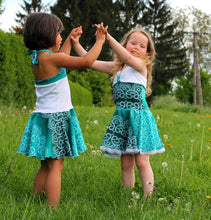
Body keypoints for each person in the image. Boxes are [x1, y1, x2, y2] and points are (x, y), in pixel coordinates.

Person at [17, 13, 105, 208]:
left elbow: (61, 58)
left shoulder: (39, 58)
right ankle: (52, 207)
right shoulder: (51, 59)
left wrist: (69, 40)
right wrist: (100, 41)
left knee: (45, 164)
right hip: (56, 118)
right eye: (58, 33)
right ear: (46, 34)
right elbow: (86, 62)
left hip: (42, 117)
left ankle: (36, 198)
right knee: (56, 165)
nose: (60, 37)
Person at [71, 23, 165, 198]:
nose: (136, 47)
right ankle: (127, 195)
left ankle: (147, 198)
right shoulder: (116, 68)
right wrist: (76, 44)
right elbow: (89, 62)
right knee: (126, 162)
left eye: (142, 46)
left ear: (147, 53)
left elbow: (128, 58)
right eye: (133, 43)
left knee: (142, 161)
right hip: (122, 119)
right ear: (125, 45)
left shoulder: (139, 65)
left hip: (139, 117)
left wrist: (107, 37)